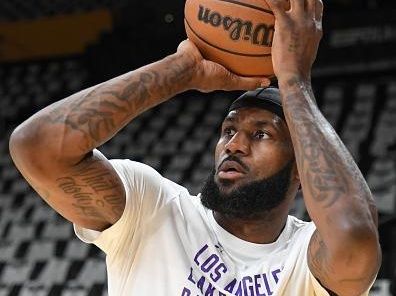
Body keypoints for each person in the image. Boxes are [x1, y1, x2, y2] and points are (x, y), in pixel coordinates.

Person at [9, 0, 381, 295]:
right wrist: (183, 69)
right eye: (228, 130)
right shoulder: (154, 209)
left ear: (301, 168)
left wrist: (295, 82)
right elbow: (36, 148)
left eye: (261, 134)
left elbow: (357, 239)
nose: (234, 144)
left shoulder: (304, 255)